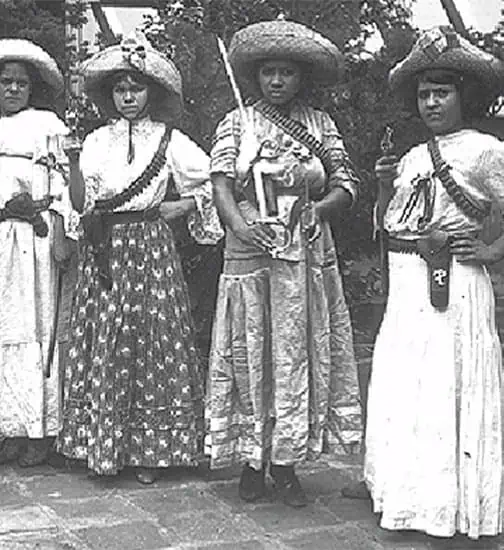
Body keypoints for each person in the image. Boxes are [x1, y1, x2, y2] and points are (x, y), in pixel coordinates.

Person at [360, 27, 504, 538]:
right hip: (407, 284)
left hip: (455, 281)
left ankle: (456, 505)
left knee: (450, 382)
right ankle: (406, 497)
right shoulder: (410, 157)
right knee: (408, 385)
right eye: (424, 94)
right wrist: (385, 187)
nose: (431, 103)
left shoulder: (486, 151)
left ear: (463, 97)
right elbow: (389, 224)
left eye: (442, 93)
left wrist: (493, 250)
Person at [206, 17, 363, 508]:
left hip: (304, 254)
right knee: (251, 349)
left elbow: (346, 183)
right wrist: (239, 225)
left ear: (301, 78)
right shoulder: (237, 122)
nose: (277, 81)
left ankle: (287, 463)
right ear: (254, 76)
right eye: (268, 72)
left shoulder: (319, 124)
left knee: (295, 352)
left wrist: (320, 207)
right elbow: (220, 186)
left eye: (287, 73)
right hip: (250, 253)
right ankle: (252, 462)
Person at [57, 34, 223, 485]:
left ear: (153, 92)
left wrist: (183, 206)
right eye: (119, 89)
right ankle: (104, 442)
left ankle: (153, 450)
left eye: (137, 88)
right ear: (108, 96)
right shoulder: (93, 141)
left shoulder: (170, 140)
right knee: (106, 338)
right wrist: (72, 163)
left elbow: (212, 180)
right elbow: (79, 202)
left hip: (150, 246)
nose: (128, 97)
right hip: (104, 248)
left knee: (152, 339)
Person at [0, 39, 75, 466]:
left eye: (21, 82)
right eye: (5, 81)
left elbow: (64, 188)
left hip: (36, 238)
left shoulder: (48, 125)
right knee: (1, 328)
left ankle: (41, 430)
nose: (13, 89)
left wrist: (61, 236)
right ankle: (7, 426)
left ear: (32, 88)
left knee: (38, 327)